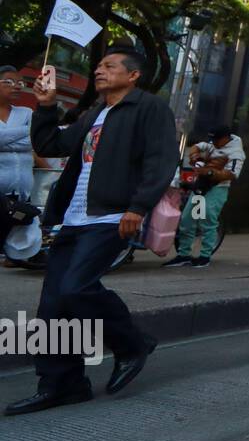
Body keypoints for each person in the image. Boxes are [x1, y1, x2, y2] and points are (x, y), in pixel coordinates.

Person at [6, 46, 175, 416]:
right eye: (98, 65)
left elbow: (161, 158)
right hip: (75, 218)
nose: (99, 70)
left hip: (112, 216)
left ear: (133, 75)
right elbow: (52, 145)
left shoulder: (149, 108)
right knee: (52, 306)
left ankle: (131, 343)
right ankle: (62, 384)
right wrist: (47, 106)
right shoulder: (95, 112)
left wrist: (138, 206)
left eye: (109, 66)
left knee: (76, 287)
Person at [165, 125, 244, 269]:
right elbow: (198, 146)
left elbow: (232, 174)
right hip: (202, 187)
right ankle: (184, 255)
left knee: (207, 219)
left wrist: (208, 172)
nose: (212, 142)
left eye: (216, 140)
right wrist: (194, 155)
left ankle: (204, 256)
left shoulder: (236, 153)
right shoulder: (212, 143)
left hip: (217, 188)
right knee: (188, 220)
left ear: (225, 138)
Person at [0, 65, 44, 202]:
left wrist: (3, 140)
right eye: (9, 82)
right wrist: (27, 131)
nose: (17, 86)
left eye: (20, 83)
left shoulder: (26, 112)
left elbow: (35, 141)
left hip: (23, 196)